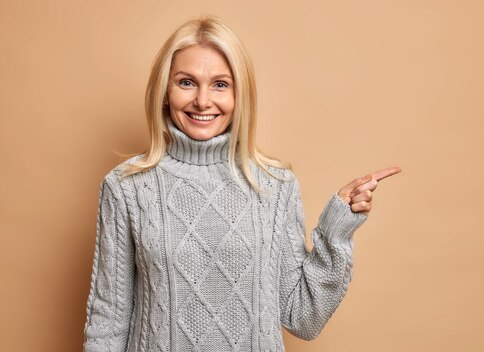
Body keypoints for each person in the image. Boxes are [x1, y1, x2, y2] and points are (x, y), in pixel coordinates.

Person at [82, 15, 401, 352]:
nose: (203, 101)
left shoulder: (275, 186)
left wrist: (337, 231)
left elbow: (303, 318)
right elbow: (108, 319)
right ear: (164, 91)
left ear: (240, 95)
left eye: (220, 84)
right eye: (186, 82)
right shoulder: (126, 187)